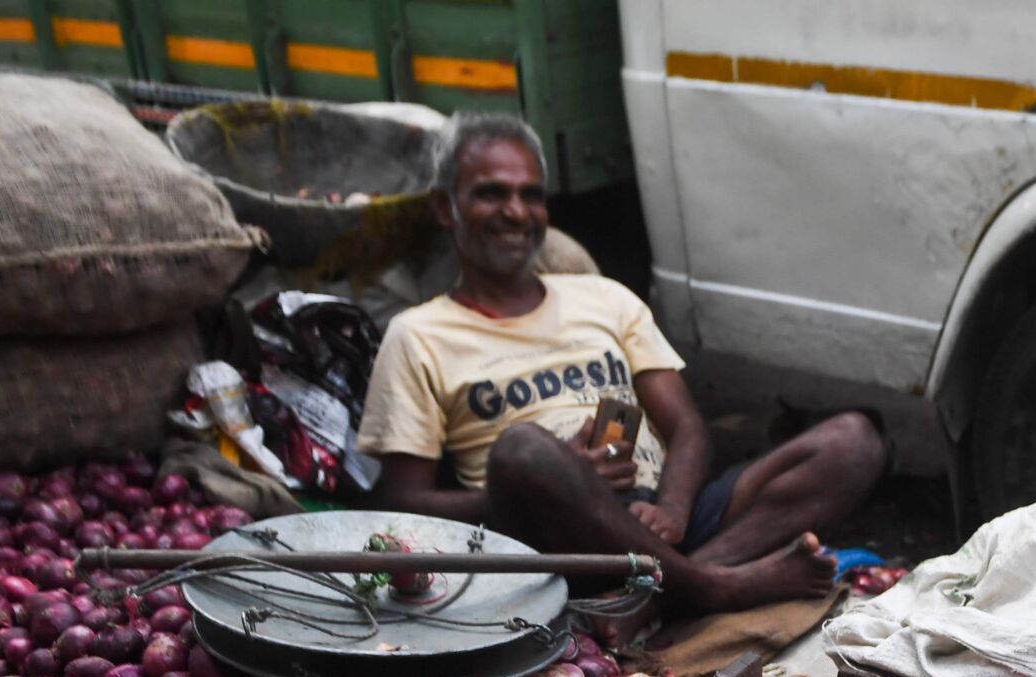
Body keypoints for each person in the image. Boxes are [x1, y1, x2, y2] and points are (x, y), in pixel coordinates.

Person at [356, 113, 887, 617]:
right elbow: (402, 500)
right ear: (446, 209)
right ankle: (714, 585)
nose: (516, 212)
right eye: (491, 193)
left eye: (531, 195)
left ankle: (659, 594)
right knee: (523, 450)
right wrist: (562, 475)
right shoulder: (418, 334)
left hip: (661, 521)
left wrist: (675, 509)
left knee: (853, 442)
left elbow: (685, 426)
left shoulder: (604, 298)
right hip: (557, 542)